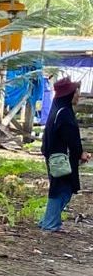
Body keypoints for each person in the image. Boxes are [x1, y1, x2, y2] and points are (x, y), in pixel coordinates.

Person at [41, 76, 86, 232]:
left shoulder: (58, 110)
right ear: (70, 94)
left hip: (55, 157)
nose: (78, 95)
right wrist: (80, 153)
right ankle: (50, 223)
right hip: (61, 159)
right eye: (76, 92)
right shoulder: (65, 113)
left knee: (60, 188)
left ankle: (48, 221)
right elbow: (71, 138)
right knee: (62, 190)